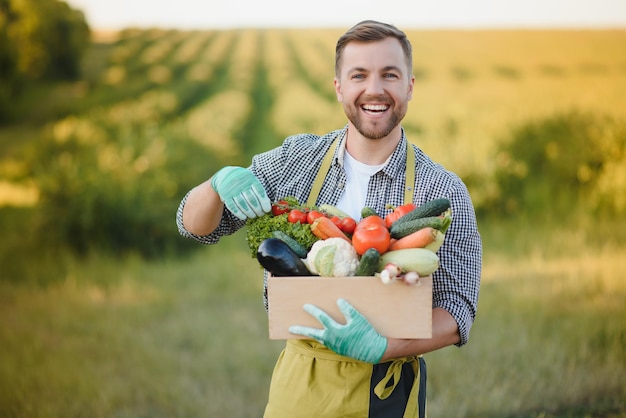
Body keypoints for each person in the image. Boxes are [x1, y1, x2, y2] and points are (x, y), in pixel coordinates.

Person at [176, 20, 482, 418]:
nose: (374, 89)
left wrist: (381, 347)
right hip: (300, 384)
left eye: (390, 75)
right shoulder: (297, 161)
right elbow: (193, 225)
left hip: (384, 391)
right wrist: (217, 184)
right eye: (359, 75)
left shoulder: (441, 190)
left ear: (409, 85)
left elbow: (458, 312)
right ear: (339, 87)